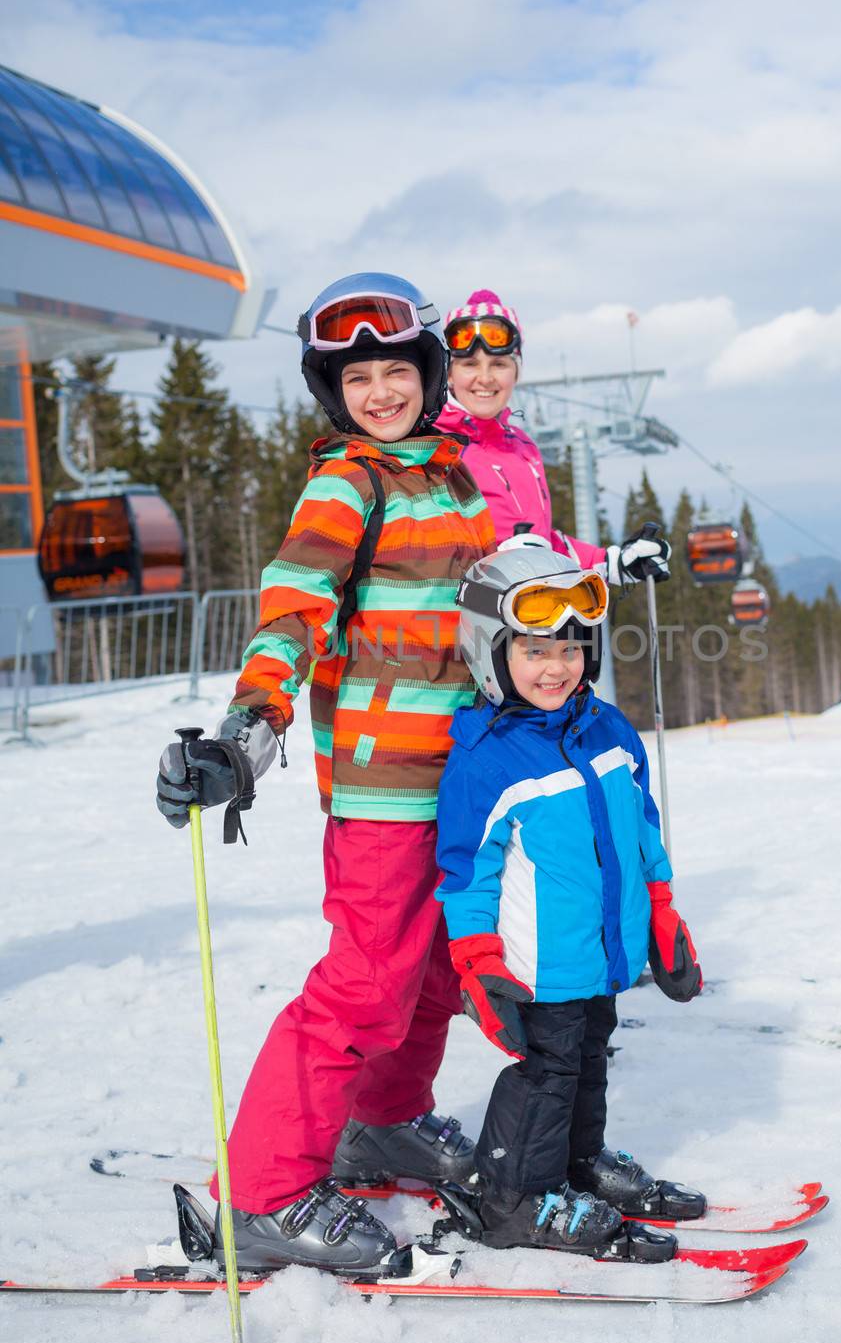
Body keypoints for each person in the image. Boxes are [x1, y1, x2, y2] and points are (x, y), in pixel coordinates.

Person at [155, 273, 496, 1275]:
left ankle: (384, 1121)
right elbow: (294, 609)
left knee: (433, 972)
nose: (379, 390)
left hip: (463, 771)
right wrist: (243, 734)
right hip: (386, 780)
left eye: (396, 368)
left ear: (427, 374)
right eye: (357, 378)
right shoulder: (348, 481)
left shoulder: (451, 477)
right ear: (331, 393)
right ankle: (261, 1194)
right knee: (364, 983)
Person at [435, 536, 705, 1257]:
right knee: (547, 1074)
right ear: (491, 654)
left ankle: (574, 1168)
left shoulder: (608, 730)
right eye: (532, 651)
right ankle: (514, 1198)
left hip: (602, 953)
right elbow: (464, 876)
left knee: (590, 1059)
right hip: (539, 963)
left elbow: (642, 830)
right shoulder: (485, 760)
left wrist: (663, 913)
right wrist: (477, 963)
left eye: (569, 648)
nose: (555, 667)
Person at [435, 288, 671, 587]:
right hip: (464, 623)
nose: (485, 378)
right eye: (469, 365)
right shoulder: (432, 444)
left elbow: (541, 545)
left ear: (515, 373)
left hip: (532, 617)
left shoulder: (522, 449)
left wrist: (610, 561)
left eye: (499, 365)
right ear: (450, 374)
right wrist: (499, 561)